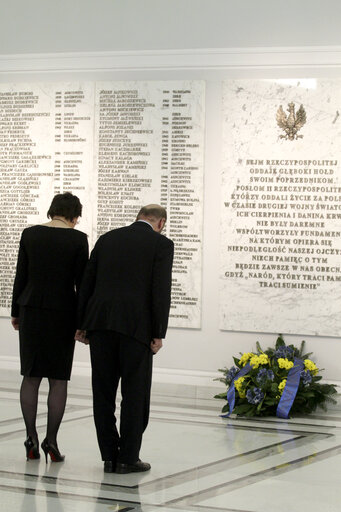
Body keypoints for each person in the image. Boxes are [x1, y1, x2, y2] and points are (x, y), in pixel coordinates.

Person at [77, 204, 174, 473]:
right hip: (137, 328)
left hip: (100, 324)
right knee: (135, 393)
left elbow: (88, 282)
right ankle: (128, 457)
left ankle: (109, 455)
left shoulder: (107, 239)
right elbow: (160, 291)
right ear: (161, 222)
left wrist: (82, 323)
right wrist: (158, 332)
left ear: (138, 217)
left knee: (103, 392)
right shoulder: (161, 244)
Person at [11, 192, 89, 463]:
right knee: (58, 379)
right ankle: (51, 441)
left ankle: (30, 438)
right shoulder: (78, 239)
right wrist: (82, 323)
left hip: (31, 310)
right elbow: (82, 285)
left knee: (30, 377)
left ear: (52, 210)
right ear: (74, 216)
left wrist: (15, 312)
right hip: (63, 314)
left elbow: (21, 274)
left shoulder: (30, 234)